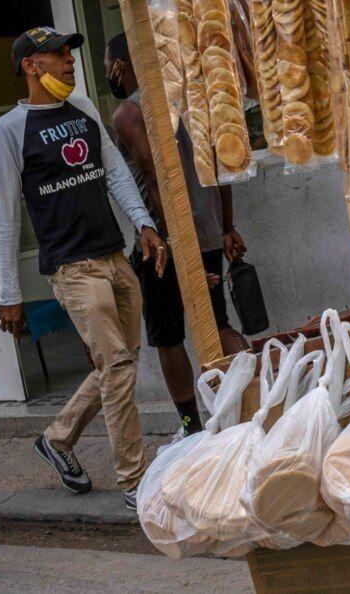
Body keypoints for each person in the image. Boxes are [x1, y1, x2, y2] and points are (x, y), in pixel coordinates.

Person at [0, 28, 167, 510]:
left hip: (114, 256)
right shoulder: (10, 129)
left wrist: (144, 224)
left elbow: (113, 173)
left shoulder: (84, 108)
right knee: (117, 366)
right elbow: (6, 214)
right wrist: (11, 292)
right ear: (32, 66)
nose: (70, 62)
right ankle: (136, 481)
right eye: (58, 55)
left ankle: (58, 437)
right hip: (73, 269)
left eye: (70, 55)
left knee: (119, 363)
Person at [104, 33, 249, 437]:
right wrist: (225, 226)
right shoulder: (189, 101)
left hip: (166, 245)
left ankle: (193, 426)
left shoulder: (128, 114)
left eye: (105, 65)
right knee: (218, 323)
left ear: (120, 65)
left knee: (169, 338)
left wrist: (174, 246)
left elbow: (154, 177)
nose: (107, 74)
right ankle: (249, 408)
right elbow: (218, 165)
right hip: (204, 231)